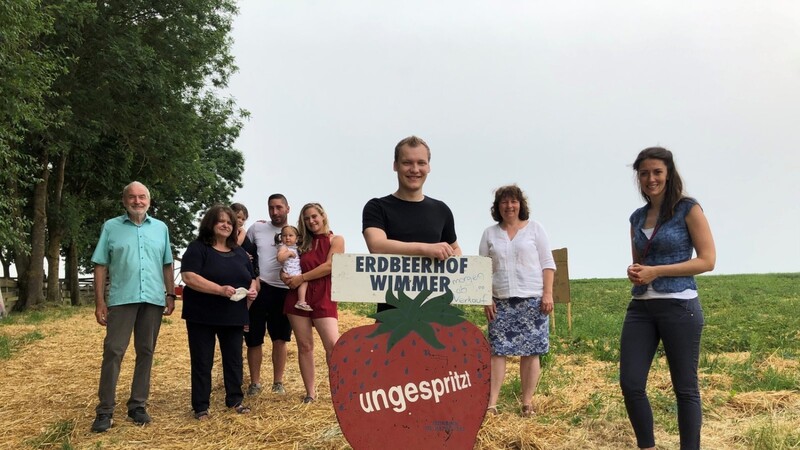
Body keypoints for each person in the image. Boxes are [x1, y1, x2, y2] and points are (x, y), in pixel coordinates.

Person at [620, 147, 716, 450]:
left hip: (680, 305)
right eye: (644, 173)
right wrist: (636, 272)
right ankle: (647, 446)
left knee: (685, 389)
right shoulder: (636, 217)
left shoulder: (688, 209)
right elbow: (640, 262)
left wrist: (656, 271)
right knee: (631, 383)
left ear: (669, 173)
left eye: (657, 172)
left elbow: (707, 260)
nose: (651, 178)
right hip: (641, 308)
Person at [90, 181, 175, 432]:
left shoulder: (161, 228)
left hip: (152, 300)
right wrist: (99, 302)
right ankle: (105, 410)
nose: (137, 201)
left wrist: (170, 295)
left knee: (146, 352)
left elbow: (167, 263)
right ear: (124, 200)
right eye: (132, 197)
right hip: (121, 299)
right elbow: (100, 265)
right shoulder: (111, 227)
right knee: (114, 352)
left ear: (149, 200)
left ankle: (137, 405)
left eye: (142, 197)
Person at [478, 184, 556, 418]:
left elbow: (547, 263)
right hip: (500, 301)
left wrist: (548, 294)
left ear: (520, 205)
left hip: (532, 300)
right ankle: (492, 404)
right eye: (504, 202)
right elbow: (482, 268)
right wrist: (485, 298)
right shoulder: (490, 233)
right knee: (497, 352)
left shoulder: (535, 229)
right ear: (497, 207)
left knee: (531, 352)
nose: (509, 206)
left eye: (513, 201)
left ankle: (527, 402)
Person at [362, 135, 460, 313]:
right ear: (395, 165)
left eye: (421, 163)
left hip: (436, 315)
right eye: (407, 162)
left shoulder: (441, 209)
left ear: (428, 167)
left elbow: (455, 251)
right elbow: (376, 245)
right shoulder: (377, 207)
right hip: (391, 318)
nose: (415, 169)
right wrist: (426, 249)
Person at [180, 205, 258, 420]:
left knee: (234, 360)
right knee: (202, 360)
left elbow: (251, 277)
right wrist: (220, 290)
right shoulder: (197, 248)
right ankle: (201, 407)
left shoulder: (240, 252)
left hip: (233, 314)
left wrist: (252, 290)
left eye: (230, 222)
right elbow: (189, 277)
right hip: (201, 315)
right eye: (221, 221)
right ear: (210, 224)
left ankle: (235, 400)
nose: (226, 225)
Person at [282, 202, 344, 403]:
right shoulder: (300, 242)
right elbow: (288, 263)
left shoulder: (336, 239)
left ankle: (339, 390)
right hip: (298, 297)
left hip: (324, 294)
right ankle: (310, 393)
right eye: (307, 218)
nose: (311, 221)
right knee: (305, 346)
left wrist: (302, 278)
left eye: (314, 216)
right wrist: (283, 274)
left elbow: (330, 265)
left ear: (323, 216)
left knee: (333, 345)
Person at [244, 194, 293, 396]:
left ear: (288, 209)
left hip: (283, 290)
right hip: (260, 287)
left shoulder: (294, 232)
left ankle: (278, 382)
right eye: (271, 208)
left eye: (279, 207)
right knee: (254, 338)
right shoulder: (257, 228)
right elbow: (241, 247)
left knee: (280, 338)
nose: (275, 212)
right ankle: (255, 383)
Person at [276, 225, 310, 311]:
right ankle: (301, 302)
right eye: (284, 235)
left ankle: (301, 301)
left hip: (294, 270)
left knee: (303, 282)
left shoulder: (295, 248)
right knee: (304, 281)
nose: (287, 238)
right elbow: (279, 258)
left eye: (290, 235)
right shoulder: (284, 247)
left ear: (297, 238)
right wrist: (288, 253)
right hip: (290, 271)